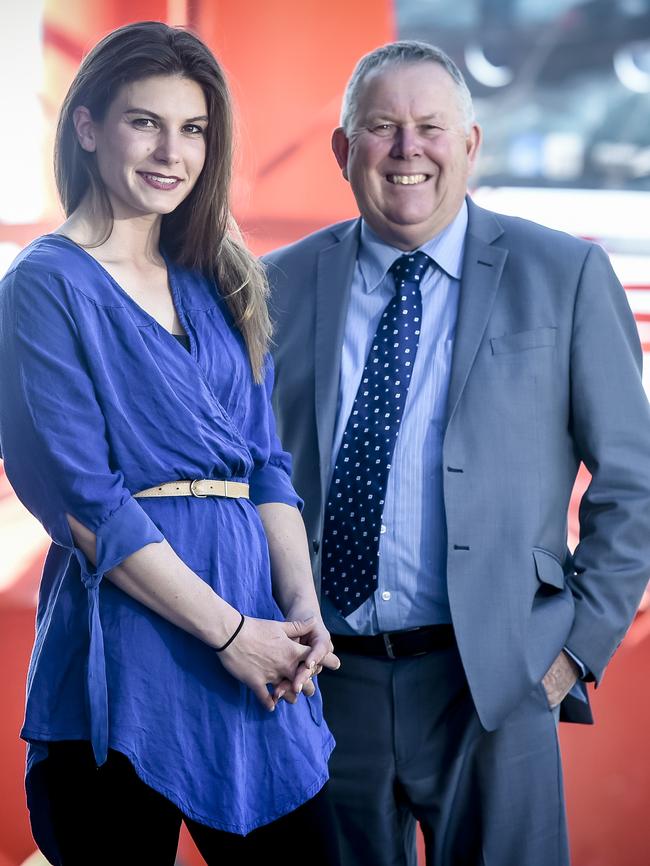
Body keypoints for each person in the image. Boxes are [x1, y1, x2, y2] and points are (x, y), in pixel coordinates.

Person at [265, 40, 650, 866]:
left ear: (470, 145)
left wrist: (568, 658)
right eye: (381, 128)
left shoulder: (565, 273)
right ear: (343, 151)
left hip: (493, 684)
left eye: (431, 127)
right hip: (324, 684)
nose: (409, 150)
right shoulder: (274, 286)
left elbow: (635, 486)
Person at [0, 21, 341, 866]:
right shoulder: (44, 286)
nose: (171, 152)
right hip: (135, 649)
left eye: (193, 129)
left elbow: (267, 469)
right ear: (87, 127)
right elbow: (89, 510)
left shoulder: (220, 274)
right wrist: (231, 636)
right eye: (144, 122)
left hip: (260, 643)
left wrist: (298, 612)